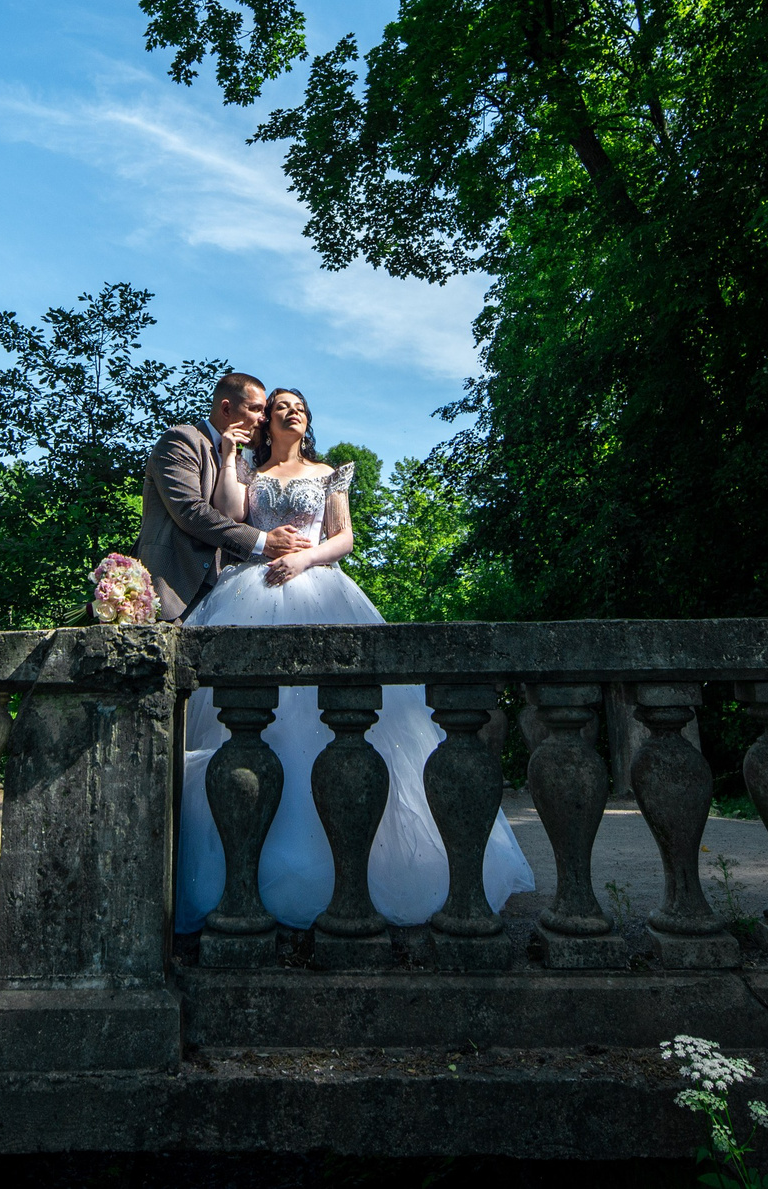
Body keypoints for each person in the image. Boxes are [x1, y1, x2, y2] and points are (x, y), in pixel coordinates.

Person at [172, 386, 535, 932]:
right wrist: (228, 458)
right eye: (280, 408)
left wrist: (304, 560)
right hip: (250, 592)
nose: (292, 412)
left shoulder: (330, 473)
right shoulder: (250, 473)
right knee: (251, 731)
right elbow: (228, 516)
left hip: (318, 587)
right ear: (266, 422)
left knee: (327, 721)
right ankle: (255, 863)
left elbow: (344, 537)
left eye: (299, 408)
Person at [136, 370, 313, 622]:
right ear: (227, 409)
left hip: (224, 594)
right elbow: (190, 512)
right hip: (171, 589)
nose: (263, 419)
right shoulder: (182, 441)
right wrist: (263, 541)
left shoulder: (243, 461)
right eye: (256, 409)